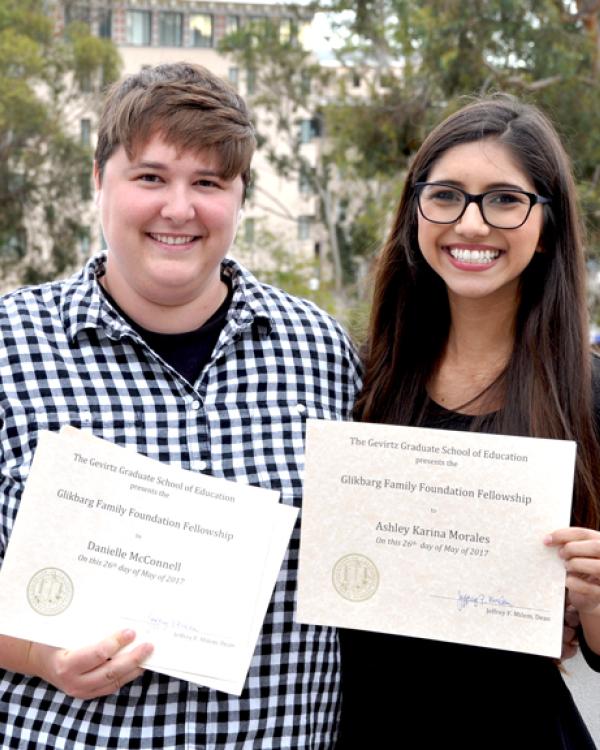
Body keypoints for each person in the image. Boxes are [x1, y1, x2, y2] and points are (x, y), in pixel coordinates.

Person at [0, 63, 360, 748]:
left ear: (239, 196)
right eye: (151, 177)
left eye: (208, 183)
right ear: (97, 182)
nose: (178, 208)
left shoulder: (321, 352)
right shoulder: (8, 347)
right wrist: (39, 654)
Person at [337, 95, 600, 749]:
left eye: (505, 199)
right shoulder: (361, 382)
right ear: (415, 210)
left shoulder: (590, 395)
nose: (472, 224)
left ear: (548, 224)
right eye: (447, 195)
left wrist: (594, 602)